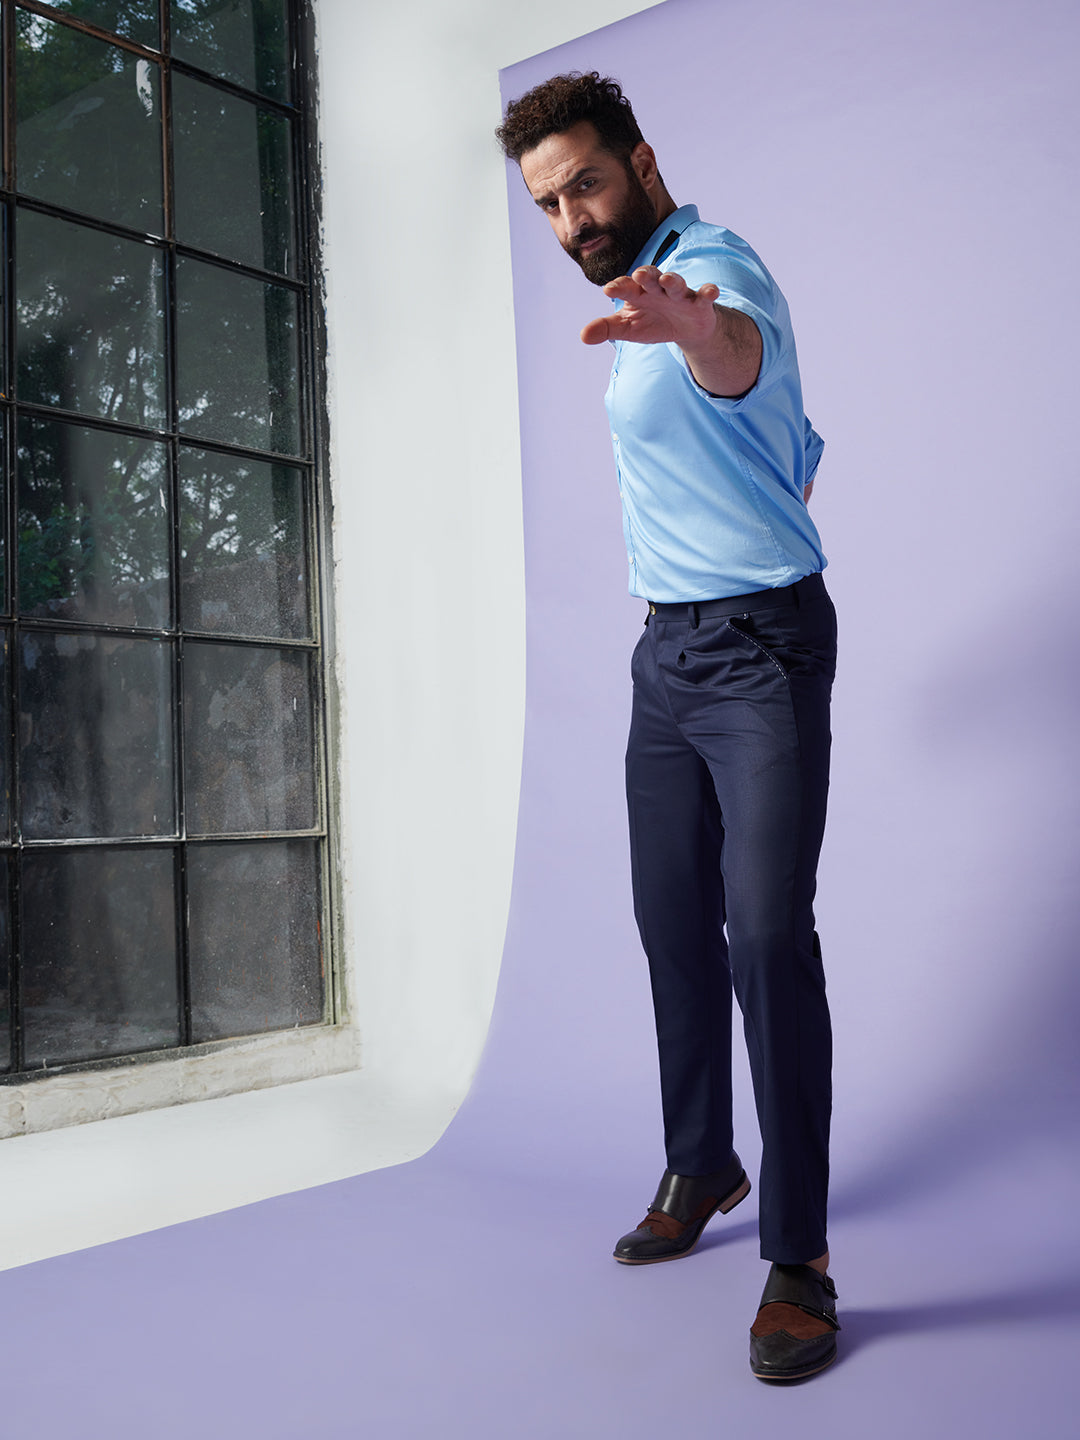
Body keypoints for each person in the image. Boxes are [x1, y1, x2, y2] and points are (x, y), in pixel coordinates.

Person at [496, 73, 840, 1381]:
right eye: (548, 204)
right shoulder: (629, 293)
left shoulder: (711, 268)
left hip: (759, 651)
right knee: (670, 923)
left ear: (642, 163)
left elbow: (734, 349)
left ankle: (799, 1260)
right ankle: (702, 1161)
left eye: (586, 184)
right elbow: (777, 438)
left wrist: (697, 329)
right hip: (668, 654)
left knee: (766, 937)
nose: (572, 221)